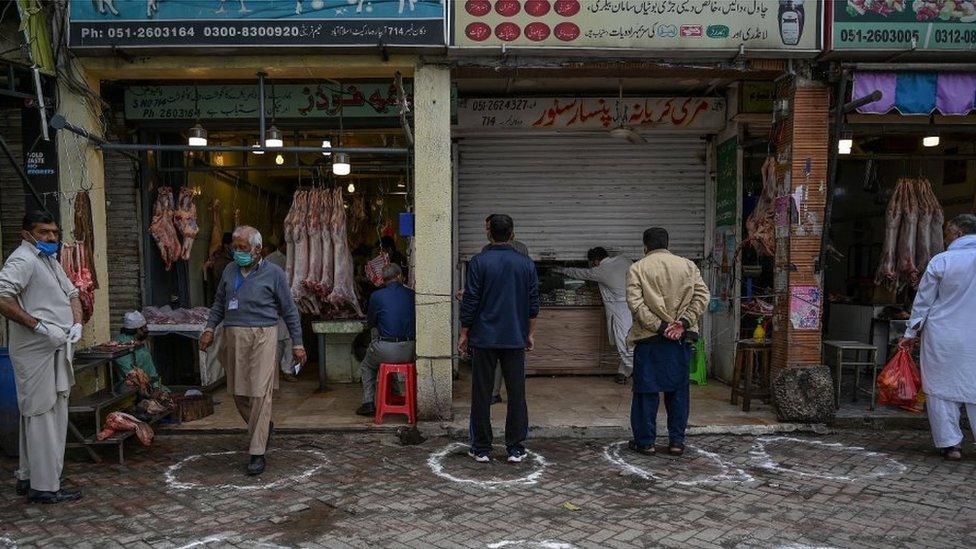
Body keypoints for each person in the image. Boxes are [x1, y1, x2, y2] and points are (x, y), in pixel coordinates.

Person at [200, 226, 305, 476]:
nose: (238, 253)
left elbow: (289, 311)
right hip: (233, 335)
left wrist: (298, 343)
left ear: (258, 250)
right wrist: (209, 328)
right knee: (238, 393)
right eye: (235, 248)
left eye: (243, 249)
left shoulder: (275, 273)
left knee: (259, 392)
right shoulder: (228, 270)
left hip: (263, 335)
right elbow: (218, 303)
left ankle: (257, 452)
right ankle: (263, 426)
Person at [0, 211, 84, 503]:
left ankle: (28, 476)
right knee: (43, 415)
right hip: (36, 350)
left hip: (57, 347)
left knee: (40, 415)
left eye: (54, 233)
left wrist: (76, 323)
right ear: (27, 234)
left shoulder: (47, 260)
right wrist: (39, 326)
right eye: (44, 232)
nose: (51, 238)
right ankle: (46, 487)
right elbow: (2, 297)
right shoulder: (22, 260)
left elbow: (73, 293)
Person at [459, 214, 539, 464]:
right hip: (514, 337)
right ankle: (515, 447)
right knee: (517, 394)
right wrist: (530, 333)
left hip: (484, 338)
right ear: (512, 234)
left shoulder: (479, 261)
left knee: (481, 393)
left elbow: (471, 300)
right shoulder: (526, 264)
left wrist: (464, 332)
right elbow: (533, 304)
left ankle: (481, 447)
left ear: (488, 232)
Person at [626, 227, 709, 457]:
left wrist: (661, 327)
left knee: (646, 392)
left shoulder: (638, 268)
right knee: (678, 391)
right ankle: (676, 442)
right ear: (667, 244)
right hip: (679, 340)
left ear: (645, 245)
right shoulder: (688, 266)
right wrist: (682, 322)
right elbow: (702, 296)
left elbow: (636, 305)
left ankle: (646, 443)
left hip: (649, 340)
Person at [900, 214, 976, 461]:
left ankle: (950, 445)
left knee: (940, 388)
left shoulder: (942, 261)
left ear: (958, 234)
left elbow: (923, 303)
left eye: (948, 235)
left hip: (943, 335)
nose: (945, 239)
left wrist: (910, 333)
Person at [555, 247, 634, 384]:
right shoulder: (624, 260)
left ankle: (641, 371)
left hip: (619, 310)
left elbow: (581, 273)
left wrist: (561, 270)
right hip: (632, 306)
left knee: (623, 344)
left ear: (596, 262)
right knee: (630, 342)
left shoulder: (601, 271)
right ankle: (623, 373)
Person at [355, 264, 416, 417]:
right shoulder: (412, 294)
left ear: (383, 280)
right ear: (400, 276)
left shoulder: (377, 296)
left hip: (386, 348)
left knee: (367, 366)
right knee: (389, 363)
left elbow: (370, 322)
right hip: (410, 349)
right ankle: (394, 394)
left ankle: (368, 402)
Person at [261, 241, 295, 382]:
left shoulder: (294, 258)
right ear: (284, 244)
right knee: (278, 341)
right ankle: (276, 371)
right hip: (276, 307)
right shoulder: (270, 259)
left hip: (291, 303)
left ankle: (288, 370)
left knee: (290, 339)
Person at [114, 311, 168, 391]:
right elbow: (129, 374)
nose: (147, 330)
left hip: (147, 384)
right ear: (137, 330)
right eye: (145, 327)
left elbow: (151, 370)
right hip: (130, 386)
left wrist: (156, 387)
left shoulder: (139, 343)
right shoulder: (121, 344)